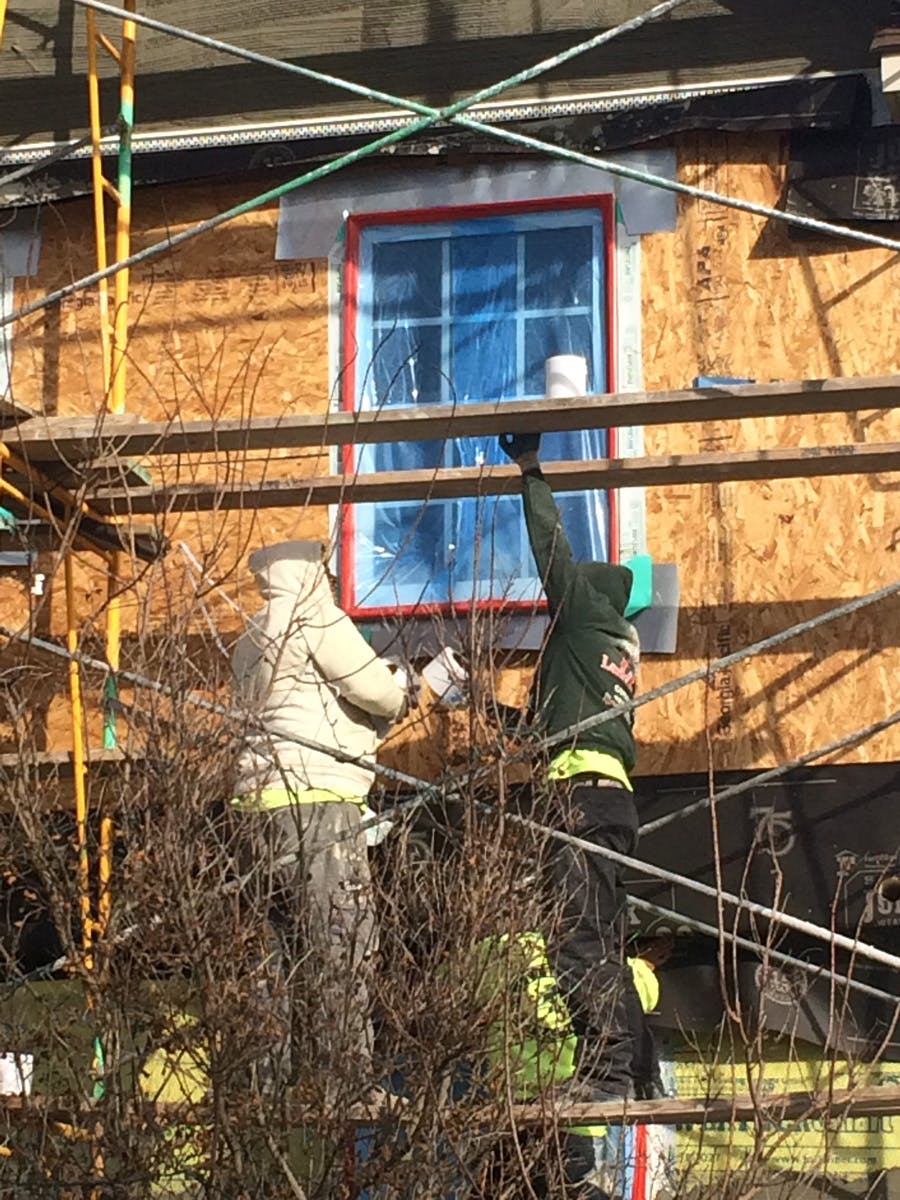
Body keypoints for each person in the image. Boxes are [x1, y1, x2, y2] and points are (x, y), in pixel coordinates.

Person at [499, 431, 644, 1195]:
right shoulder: (611, 647)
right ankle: (631, 1070)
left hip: (580, 798)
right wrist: (486, 713)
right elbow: (551, 724)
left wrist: (531, 471)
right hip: (607, 792)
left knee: (577, 940)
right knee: (599, 936)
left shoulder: (585, 613)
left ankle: (613, 1074)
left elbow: (550, 547)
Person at [230, 539, 408, 1101]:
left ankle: (265, 1086)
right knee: (340, 943)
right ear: (313, 572)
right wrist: (401, 685)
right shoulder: (315, 615)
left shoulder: (249, 636)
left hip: (254, 810)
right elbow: (377, 692)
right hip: (317, 802)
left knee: (271, 955)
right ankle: (347, 1084)